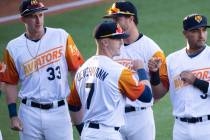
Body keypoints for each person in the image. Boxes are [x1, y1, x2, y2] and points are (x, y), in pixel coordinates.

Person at [1, 0, 84, 140]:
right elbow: (10, 83)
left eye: (40, 15)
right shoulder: (13, 47)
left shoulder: (61, 36)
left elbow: (76, 70)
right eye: (33, 16)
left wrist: (77, 103)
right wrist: (13, 115)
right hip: (29, 114)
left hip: (59, 111)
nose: (38, 20)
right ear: (23, 19)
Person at [67, 20, 153, 140]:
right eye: (117, 39)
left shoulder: (82, 70)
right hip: (108, 134)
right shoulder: (119, 72)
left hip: (87, 134)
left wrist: (83, 130)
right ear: (105, 42)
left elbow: (73, 105)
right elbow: (146, 96)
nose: (121, 42)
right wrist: (141, 71)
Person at [103, 1, 168, 140]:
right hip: (113, 117)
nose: (114, 23)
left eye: (117, 19)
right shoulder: (110, 48)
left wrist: (154, 75)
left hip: (140, 119)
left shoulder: (152, 50)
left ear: (131, 18)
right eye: (112, 19)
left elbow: (160, 93)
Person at [148, 13, 210, 140]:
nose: (201, 35)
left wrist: (196, 81)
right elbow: (158, 94)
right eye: (195, 31)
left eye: (204, 30)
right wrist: (154, 74)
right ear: (185, 33)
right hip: (181, 129)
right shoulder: (172, 60)